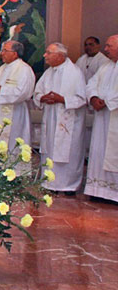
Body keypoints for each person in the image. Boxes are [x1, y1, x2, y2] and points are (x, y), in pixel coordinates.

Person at [33, 43, 86, 192]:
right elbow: (37, 92)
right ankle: (49, 183)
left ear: (60, 55)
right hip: (50, 118)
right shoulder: (49, 72)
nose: (45, 55)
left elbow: (82, 98)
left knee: (67, 151)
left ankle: (68, 185)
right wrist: (43, 98)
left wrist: (62, 99)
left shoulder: (75, 73)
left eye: (48, 53)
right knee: (50, 148)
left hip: (68, 121)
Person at [84, 34, 118, 202]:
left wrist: (106, 102)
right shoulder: (106, 66)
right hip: (102, 118)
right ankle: (99, 190)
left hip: (114, 117)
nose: (105, 50)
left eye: (109, 46)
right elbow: (91, 83)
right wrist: (93, 98)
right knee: (99, 151)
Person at [0, 40, 35, 152]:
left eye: (5, 51)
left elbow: (24, 92)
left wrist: (1, 90)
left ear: (15, 53)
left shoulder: (24, 69)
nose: (2, 53)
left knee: (13, 144)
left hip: (16, 114)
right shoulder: (1, 69)